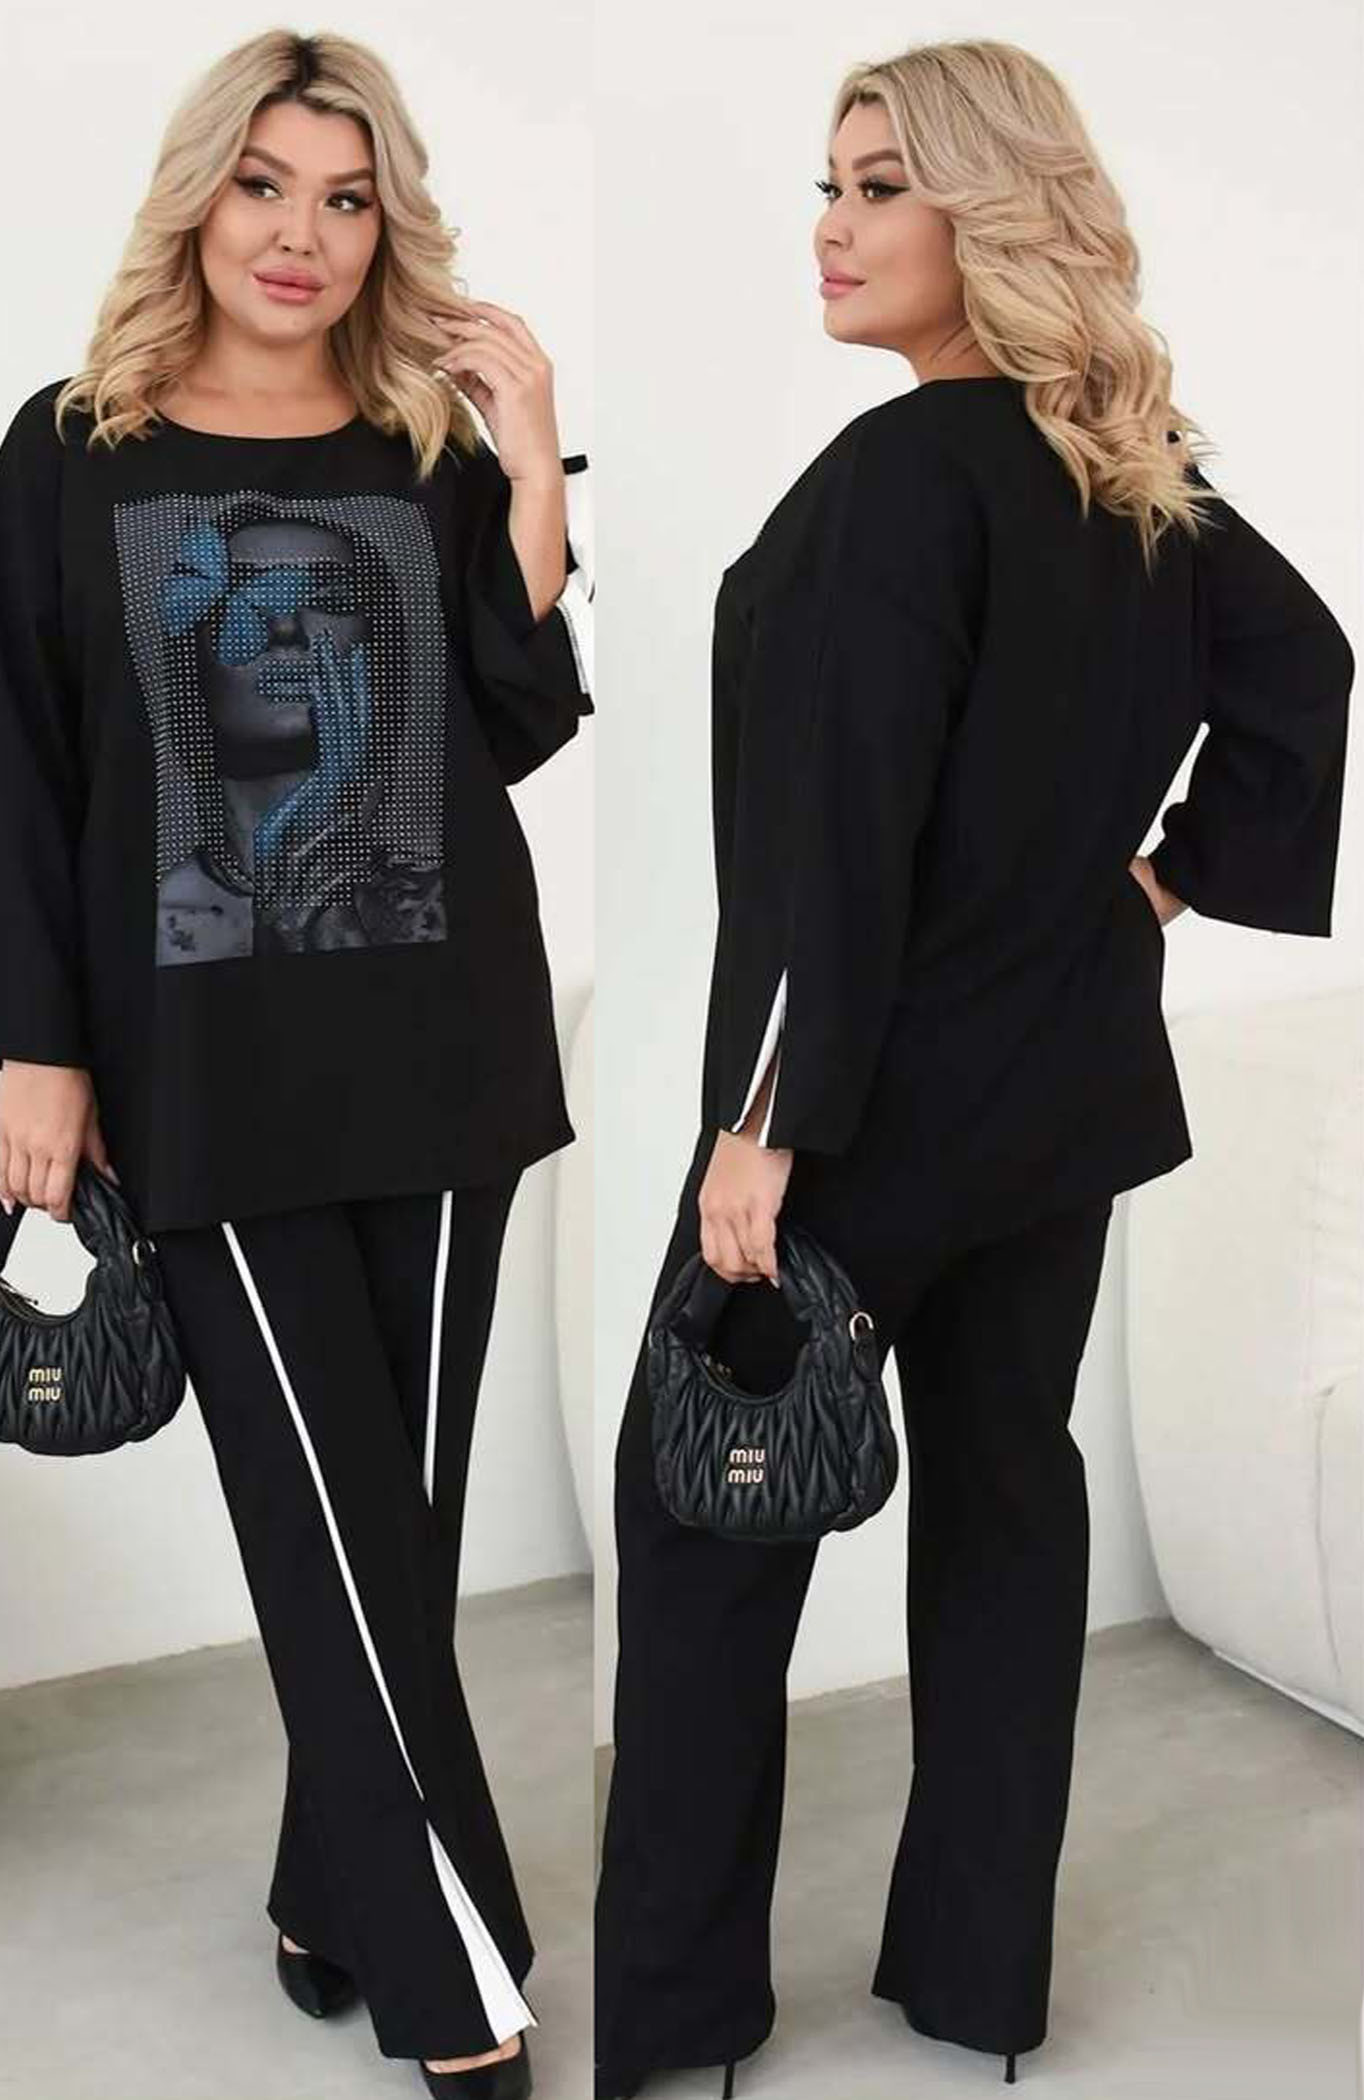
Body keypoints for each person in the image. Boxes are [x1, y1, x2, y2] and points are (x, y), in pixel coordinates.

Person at [593, 38, 1351, 2100]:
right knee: (1008, 1508)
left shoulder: (903, 478)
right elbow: (1308, 666)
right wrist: (1160, 887)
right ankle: (977, 1994)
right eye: (827, 186)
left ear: (989, 213)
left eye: (878, 188)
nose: (831, 229)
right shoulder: (1133, 471)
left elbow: (829, 838)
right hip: (1060, 1108)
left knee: (701, 1528)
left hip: (870, 1116)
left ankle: (682, 2022)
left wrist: (764, 1126)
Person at [0, 29, 593, 2096]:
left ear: (387, 227)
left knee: (395, 1527)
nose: (304, 235)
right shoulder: (74, 450)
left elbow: (515, 714)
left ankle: (328, 1886)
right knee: (322, 1523)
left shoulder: (419, 442)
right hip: (204, 1066)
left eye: (347, 198)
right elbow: (13, 762)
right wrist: (37, 1051)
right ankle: (459, 1978)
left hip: (444, 1047)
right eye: (268, 186)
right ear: (200, 196)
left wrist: (532, 454)